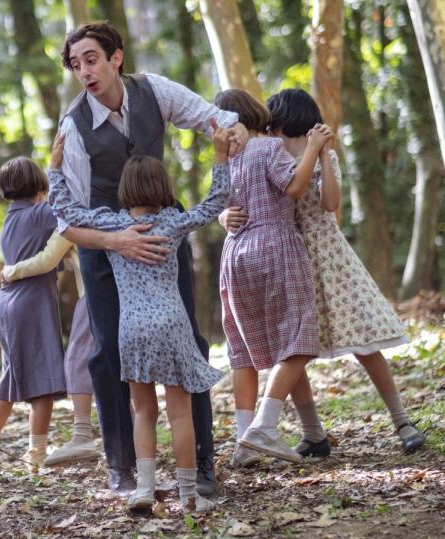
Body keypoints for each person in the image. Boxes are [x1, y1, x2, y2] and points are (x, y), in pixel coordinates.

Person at [57, 21, 248, 493]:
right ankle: (123, 468)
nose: (84, 71)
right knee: (108, 353)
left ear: (115, 57)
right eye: (76, 64)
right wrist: (119, 241)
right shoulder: (74, 126)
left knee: (191, 342)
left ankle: (202, 466)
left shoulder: (153, 91)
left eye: (91, 59)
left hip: (162, 241)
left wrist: (234, 131)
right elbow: (68, 221)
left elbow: (214, 118)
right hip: (105, 246)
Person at [222, 88, 424, 458]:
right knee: (293, 349)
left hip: (329, 258)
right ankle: (313, 433)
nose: (272, 129)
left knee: (365, 341)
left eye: (276, 122)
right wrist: (223, 216)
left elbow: (330, 204)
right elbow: (245, 199)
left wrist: (323, 156)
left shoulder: (319, 153)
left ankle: (402, 421)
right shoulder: (270, 152)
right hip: (285, 260)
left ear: (287, 120)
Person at [49, 122, 230, 513]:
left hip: (131, 329)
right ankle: (188, 496)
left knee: (143, 410)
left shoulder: (113, 225)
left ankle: (144, 489)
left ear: (124, 191)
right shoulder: (173, 223)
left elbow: (65, 210)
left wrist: (54, 167)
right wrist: (219, 156)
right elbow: (215, 203)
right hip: (172, 326)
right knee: (180, 411)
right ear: (163, 187)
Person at [213, 89, 332, 464]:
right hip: (274, 244)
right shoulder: (266, 148)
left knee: (242, 352)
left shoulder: (226, 160)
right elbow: (294, 187)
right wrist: (313, 148)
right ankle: (264, 426)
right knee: (298, 340)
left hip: (234, 256)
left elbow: (218, 205)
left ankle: (242, 444)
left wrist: (221, 217)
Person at [0, 156, 67, 474]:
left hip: (6, 304)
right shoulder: (43, 214)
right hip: (33, 302)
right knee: (44, 380)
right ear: (39, 185)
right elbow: (70, 210)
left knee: (11, 374)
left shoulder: (10, 219)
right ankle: (35, 455)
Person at [2, 231, 98, 467]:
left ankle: (82, 434)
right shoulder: (115, 208)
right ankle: (132, 438)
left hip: (94, 297)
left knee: (76, 361)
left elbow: (46, 259)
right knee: (115, 366)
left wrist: (10, 271)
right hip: (127, 295)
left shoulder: (72, 214)